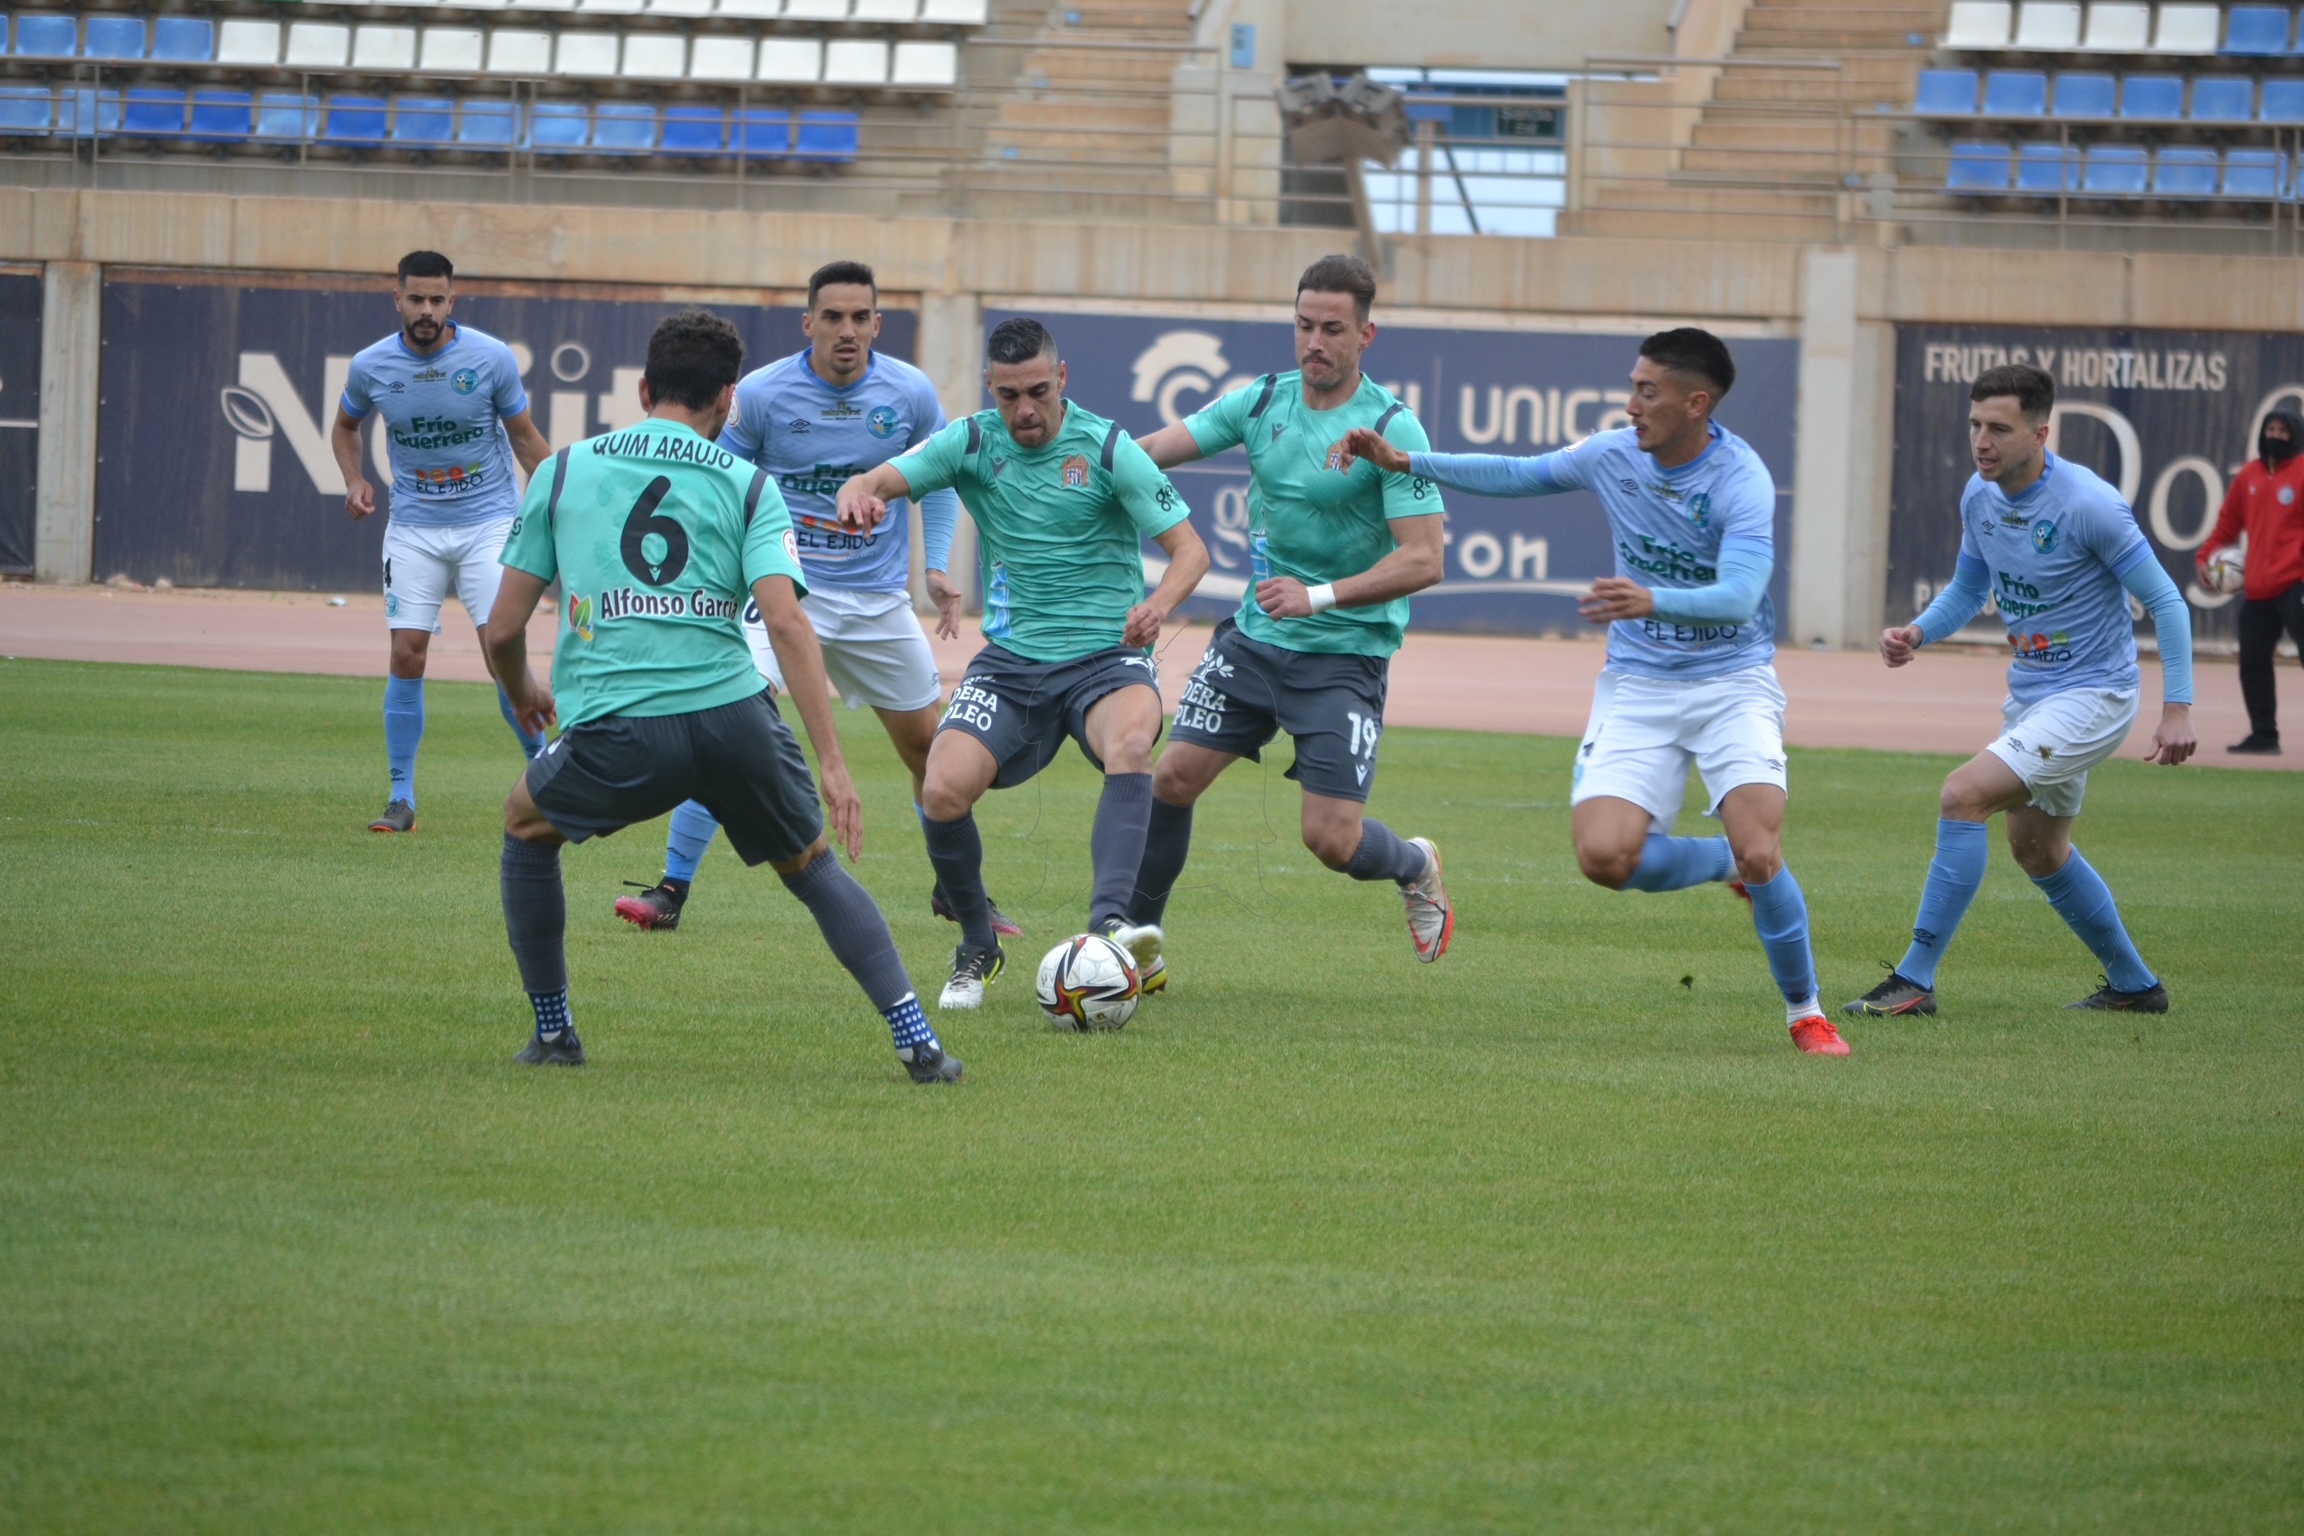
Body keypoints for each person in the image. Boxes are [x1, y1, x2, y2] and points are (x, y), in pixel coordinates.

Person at [484, 306, 961, 1082]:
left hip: (619, 726)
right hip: (737, 718)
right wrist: (833, 762)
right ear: (729, 400)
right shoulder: (748, 485)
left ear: (642, 388)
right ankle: (921, 1044)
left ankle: (554, 1032)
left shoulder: (565, 470)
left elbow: (503, 627)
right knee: (812, 868)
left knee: (525, 824)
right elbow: (787, 624)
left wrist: (524, 689)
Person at [1354, 327, 1848, 1055]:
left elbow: (1742, 595)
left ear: (1695, 403)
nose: (1632, 403)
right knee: (1604, 859)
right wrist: (1406, 460)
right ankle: (1725, 864)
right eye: (1633, 386)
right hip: (1639, 686)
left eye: (1648, 391)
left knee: (1764, 847)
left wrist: (1653, 600)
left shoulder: (1739, 479)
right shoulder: (1613, 454)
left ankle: (1806, 1013)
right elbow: (1517, 473)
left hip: (1731, 683)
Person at [614, 262, 1020, 937]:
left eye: (860, 317)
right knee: (728, 726)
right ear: (809, 323)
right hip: (784, 593)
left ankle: (957, 890)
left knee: (930, 749)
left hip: (876, 601)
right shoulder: (767, 394)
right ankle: (671, 888)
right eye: (832, 317)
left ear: (877, 324)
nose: (847, 330)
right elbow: (722, 482)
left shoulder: (911, 394)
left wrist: (939, 567)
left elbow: (939, 480)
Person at [833, 316, 1210, 1009]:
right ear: (990, 388)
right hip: (1012, 663)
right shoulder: (972, 442)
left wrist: (1159, 605)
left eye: (1038, 391)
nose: (1025, 410)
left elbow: (1191, 551)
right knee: (942, 787)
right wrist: (859, 491)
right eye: (1009, 396)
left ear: (1061, 378)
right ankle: (978, 944)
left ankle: (1110, 934)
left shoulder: (1107, 448)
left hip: (1108, 658)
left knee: (1132, 744)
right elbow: (879, 478)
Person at [1119, 255, 1454, 985]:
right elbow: (1155, 453)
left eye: (1333, 329)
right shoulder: (1263, 400)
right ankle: (1136, 946)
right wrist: (1098, 473)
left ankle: (1416, 865)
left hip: (1344, 653)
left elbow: (1424, 560)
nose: (1314, 342)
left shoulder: (1395, 429)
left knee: (1331, 841)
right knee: (1170, 777)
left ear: (1367, 333)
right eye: (1304, 325)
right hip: (1253, 641)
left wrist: (1320, 594)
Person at [1847, 363, 2196, 1020]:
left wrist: (2178, 708)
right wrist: (1919, 633)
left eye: (1999, 428)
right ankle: (2135, 986)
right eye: (1976, 424)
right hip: (2035, 696)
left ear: (2041, 432)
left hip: (2094, 695)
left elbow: (2168, 603)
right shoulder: (1979, 498)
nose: (1982, 440)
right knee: (2037, 848)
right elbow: (1969, 590)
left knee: (1962, 793)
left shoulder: (2087, 505)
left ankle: (1914, 979)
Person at [332, 250, 554, 834]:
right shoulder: (371, 365)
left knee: (499, 653)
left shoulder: (489, 358)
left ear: (452, 301)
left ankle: (545, 775)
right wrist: (355, 479)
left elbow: (526, 438)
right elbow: (345, 426)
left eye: (437, 299)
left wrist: (562, 496)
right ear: (397, 300)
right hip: (414, 527)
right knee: (407, 652)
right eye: (415, 299)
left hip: (488, 524)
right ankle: (400, 798)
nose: (426, 310)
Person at [2197, 408, 2304, 755]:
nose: (2276, 435)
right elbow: (2227, 525)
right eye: (2270, 428)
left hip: (2296, 582)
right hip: (2258, 587)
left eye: (2283, 430)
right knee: (2253, 662)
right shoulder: (2249, 475)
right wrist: (2205, 558)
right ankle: (2264, 735)